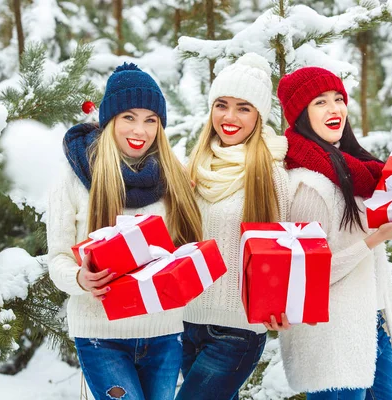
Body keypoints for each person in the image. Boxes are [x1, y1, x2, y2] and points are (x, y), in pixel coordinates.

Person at [47, 63, 202, 400]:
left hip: (163, 333)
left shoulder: (172, 177)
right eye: (129, 117)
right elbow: (57, 258)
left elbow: (186, 249)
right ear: (110, 119)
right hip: (101, 335)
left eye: (150, 120)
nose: (140, 130)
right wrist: (79, 279)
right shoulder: (74, 177)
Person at [274, 66, 392, 400]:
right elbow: (309, 272)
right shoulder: (307, 183)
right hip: (330, 333)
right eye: (320, 102)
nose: (335, 109)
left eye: (338, 99)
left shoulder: (353, 168)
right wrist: (376, 238)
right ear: (301, 115)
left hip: (365, 323)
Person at [176, 53, 289, 400]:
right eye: (221, 105)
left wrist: (277, 303)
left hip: (237, 329)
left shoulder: (271, 175)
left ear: (259, 115)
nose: (229, 117)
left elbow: (281, 251)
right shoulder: (193, 167)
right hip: (185, 322)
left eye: (243, 108)